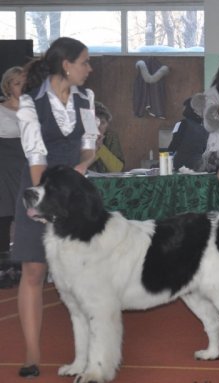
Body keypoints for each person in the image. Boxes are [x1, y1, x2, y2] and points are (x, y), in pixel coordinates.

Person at [12, 37, 98, 378]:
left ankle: (91, 350)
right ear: (67, 64)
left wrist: (82, 168)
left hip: (74, 191)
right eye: (85, 62)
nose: (89, 70)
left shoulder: (86, 98)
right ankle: (32, 354)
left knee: (84, 273)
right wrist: (42, 201)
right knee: (33, 271)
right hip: (39, 188)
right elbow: (36, 155)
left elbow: (89, 147)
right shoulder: (30, 102)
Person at [0, 66, 26, 289]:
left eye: (24, 82)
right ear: (8, 86)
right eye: (17, 83)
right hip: (4, 165)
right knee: (4, 213)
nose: (22, 87)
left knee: (27, 213)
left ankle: (24, 263)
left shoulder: (34, 110)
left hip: (28, 164)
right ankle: (3, 266)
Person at [168, 95, 208, 171]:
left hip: (180, 165)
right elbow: (204, 148)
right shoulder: (205, 128)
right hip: (197, 165)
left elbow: (174, 144)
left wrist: (167, 160)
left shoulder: (182, 123)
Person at [88, 101, 124, 173]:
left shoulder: (111, 137)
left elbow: (118, 169)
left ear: (107, 124)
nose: (99, 127)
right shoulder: (80, 137)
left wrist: (101, 148)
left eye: (103, 123)